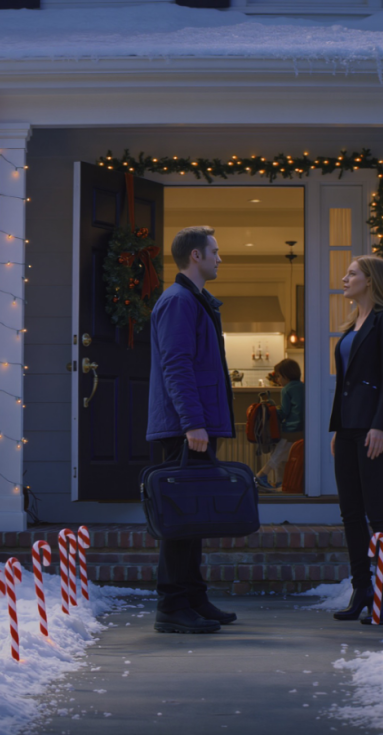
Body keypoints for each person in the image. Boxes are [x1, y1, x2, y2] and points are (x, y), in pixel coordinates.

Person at [146, 226, 237, 634]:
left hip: (194, 425)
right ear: (196, 256)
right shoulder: (178, 301)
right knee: (180, 520)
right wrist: (192, 422)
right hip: (186, 428)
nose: (220, 258)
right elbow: (176, 365)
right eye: (215, 252)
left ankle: (194, 597)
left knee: (193, 517)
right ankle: (171, 606)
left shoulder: (194, 300)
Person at [329, 255, 383, 624]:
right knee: (349, 513)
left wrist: (380, 425)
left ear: (371, 280)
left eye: (352, 274)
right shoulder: (350, 326)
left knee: (378, 512)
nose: (345, 279)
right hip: (347, 430)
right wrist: (338, 430)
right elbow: (344, 385)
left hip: (374, 429)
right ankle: (362, 589)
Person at [255, 358, 305, 492]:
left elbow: (284, 412)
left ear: (286, 375)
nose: (277, 380)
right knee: (284, 455)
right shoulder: (303, 386)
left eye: (278, 376)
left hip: (291, 428)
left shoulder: (286, 390)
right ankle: (280, 483)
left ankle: (261, 475)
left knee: (278, 453)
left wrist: (272, 408)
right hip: (303, 428)